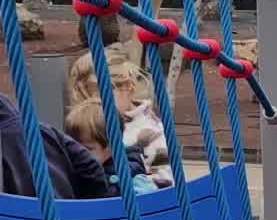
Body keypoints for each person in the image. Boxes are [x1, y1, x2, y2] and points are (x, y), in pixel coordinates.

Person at [66, 46, 173, 189]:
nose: (94, 104)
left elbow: (166, 179)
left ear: (127, 87)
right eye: (87, 98)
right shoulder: (90, 124)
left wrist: (138, 184)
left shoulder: (151, 129)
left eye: (99, 96)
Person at [0, 94, 110, 200]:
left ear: (108, 150)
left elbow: (89, 165)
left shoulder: (115, 179)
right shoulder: (43, 132)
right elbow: (90, 166)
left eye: (88, 148)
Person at [64, 98, 156, 195]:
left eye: (86, 149)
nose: (77, 154)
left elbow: (146, 197)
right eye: (72, 147)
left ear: (109, 149)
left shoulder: (127, 175)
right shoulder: (72, 168)